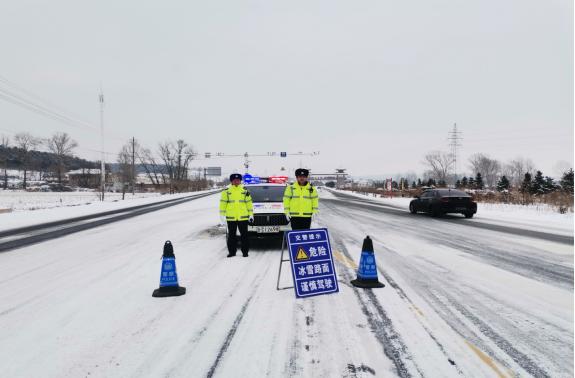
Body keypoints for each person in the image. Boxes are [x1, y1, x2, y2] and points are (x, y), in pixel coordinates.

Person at [220, 173, 253, 257]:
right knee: (231, 236)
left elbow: (249, 203)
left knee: (244, 236)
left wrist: (251, 214)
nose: (236, 181)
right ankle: (232, 252)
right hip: (231, 218)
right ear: (231, 181)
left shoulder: (245, 191)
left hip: (243, 217)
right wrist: (222, 215)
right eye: (234, 180)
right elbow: (223, 204)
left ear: (240, 181)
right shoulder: (226, 191)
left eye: (238, 180)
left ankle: (245, 252)